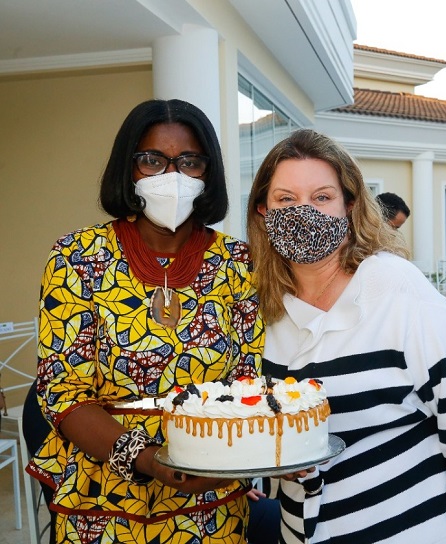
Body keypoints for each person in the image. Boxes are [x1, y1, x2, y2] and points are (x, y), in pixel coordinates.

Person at [246, 129, 446, 543]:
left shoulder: (397, 288)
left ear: (349, 205)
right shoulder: (263, 306)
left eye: (322, 197)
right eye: (286, 199)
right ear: (263, 210)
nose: (304, 212)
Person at [26, 99, 266, 544]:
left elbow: (249, 382)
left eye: (189, 162)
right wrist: (149, 459)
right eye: (152, 160)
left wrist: (240, 462)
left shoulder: (239, 263)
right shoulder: (76, 258)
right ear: (129, 167)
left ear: (208, 172)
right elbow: (62, 392)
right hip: (101, 498)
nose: (172, 175)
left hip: (211, 494)